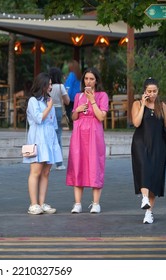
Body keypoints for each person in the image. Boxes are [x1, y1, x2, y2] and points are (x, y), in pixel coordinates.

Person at [131, 77, 166, 224]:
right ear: (144, 91)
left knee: (155, 179)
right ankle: (144, 198)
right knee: (145, 169)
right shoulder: (137, 104)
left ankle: (148, 212)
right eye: (149, 91)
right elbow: (136, 122)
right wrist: (144, 104)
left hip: (158, 145)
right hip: (141, 143)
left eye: (154, 91)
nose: (152, 94)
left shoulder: (162, 106)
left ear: (158, 91)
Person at [66, 67, 109, 214]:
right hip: (79, 135)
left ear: (96, 80)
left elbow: (101, 117)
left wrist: (92, 100)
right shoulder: (78, 96)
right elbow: (73, 118)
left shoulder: (102, 95)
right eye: (86, 78)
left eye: (91, 78)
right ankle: (77, 203)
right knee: (78, 165)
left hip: (94, 134)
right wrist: (76, 110)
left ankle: (96, 203)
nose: (88, 81)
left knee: (95, 165)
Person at [23, 72, 61, 215]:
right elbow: (39, 119)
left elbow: (53, 124)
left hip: (49, 139)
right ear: (43, 85)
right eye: (49, 84)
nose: (51, 87)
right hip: (38, 139)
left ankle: (42, 202)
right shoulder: (33, 101)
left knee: (46, 172)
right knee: (36, 171)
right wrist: (49, 107)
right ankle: (33, 204)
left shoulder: (48, 101)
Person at [49, 67, 70, 171]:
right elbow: (67, 101)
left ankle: (47, 161)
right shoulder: (60, 86)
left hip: (47, 111)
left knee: (48, 135)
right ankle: (59, 163)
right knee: (58, 136)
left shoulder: (47, 86)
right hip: (58, 111)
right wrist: (66, 92)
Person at [64, 60, 82, 129]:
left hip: (70, 97)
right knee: (76, 111)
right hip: (78, 97)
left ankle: (70, 125)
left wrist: (65, 97)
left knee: (69, 111)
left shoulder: (71, 75)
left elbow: (68, 87)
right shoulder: (79, 75)